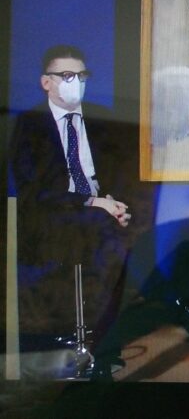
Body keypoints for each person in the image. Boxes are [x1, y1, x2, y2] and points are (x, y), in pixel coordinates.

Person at [10, 45, 135, 364]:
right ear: (46, 82)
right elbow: (33, 190)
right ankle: (80, 341)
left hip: (102, 208)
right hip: (54, 214)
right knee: (97, 237)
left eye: (81, 76)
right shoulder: (29, 124)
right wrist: (92, 202)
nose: (75, 83)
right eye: (66, 76)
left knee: (124, 237)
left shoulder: (100, 119)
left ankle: (102, 343)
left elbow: (119, 170)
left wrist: (115, 203)